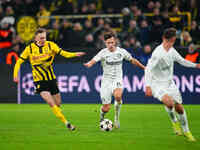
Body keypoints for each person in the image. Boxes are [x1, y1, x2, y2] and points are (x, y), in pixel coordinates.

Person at [13, 28, 85, 131]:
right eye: (41, 37)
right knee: (50, 102)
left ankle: (59, 114)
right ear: (36, 38)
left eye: (45, 37)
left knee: (58, 103)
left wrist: (74, 54)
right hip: (39, 81)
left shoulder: (51, 45)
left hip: (51, 79)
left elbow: (64, 53)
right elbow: (18, 62)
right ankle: (67, 123)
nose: (43, 39)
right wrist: (15, 75)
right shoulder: (29, 49)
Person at [145, 28, 200, 142]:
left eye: (173, 41)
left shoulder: (172, 50)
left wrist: (195, 65)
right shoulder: (157, 53)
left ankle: (186, 131)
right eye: (170, 41)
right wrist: (148, 86)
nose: (171, 44)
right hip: (157, 84)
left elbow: (181, 61)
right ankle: (174, 122)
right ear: (164, 39)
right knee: (169, 103)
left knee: (179, 107)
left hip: (170, 84)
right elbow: (148, 69)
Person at [84, 32, 145, 128]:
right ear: (105, 43)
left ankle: (116, 118)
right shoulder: (103, 53)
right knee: (106, 108)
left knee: (118, 96)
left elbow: (132, 60)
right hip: (106, 82)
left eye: (112, 42)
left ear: (115, 41)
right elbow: (94, 60)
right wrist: (89, 64)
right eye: (108, 43)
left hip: (117, 80)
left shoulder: (121, 51)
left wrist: (144, 68)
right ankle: (102, 115)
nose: (111, 45)